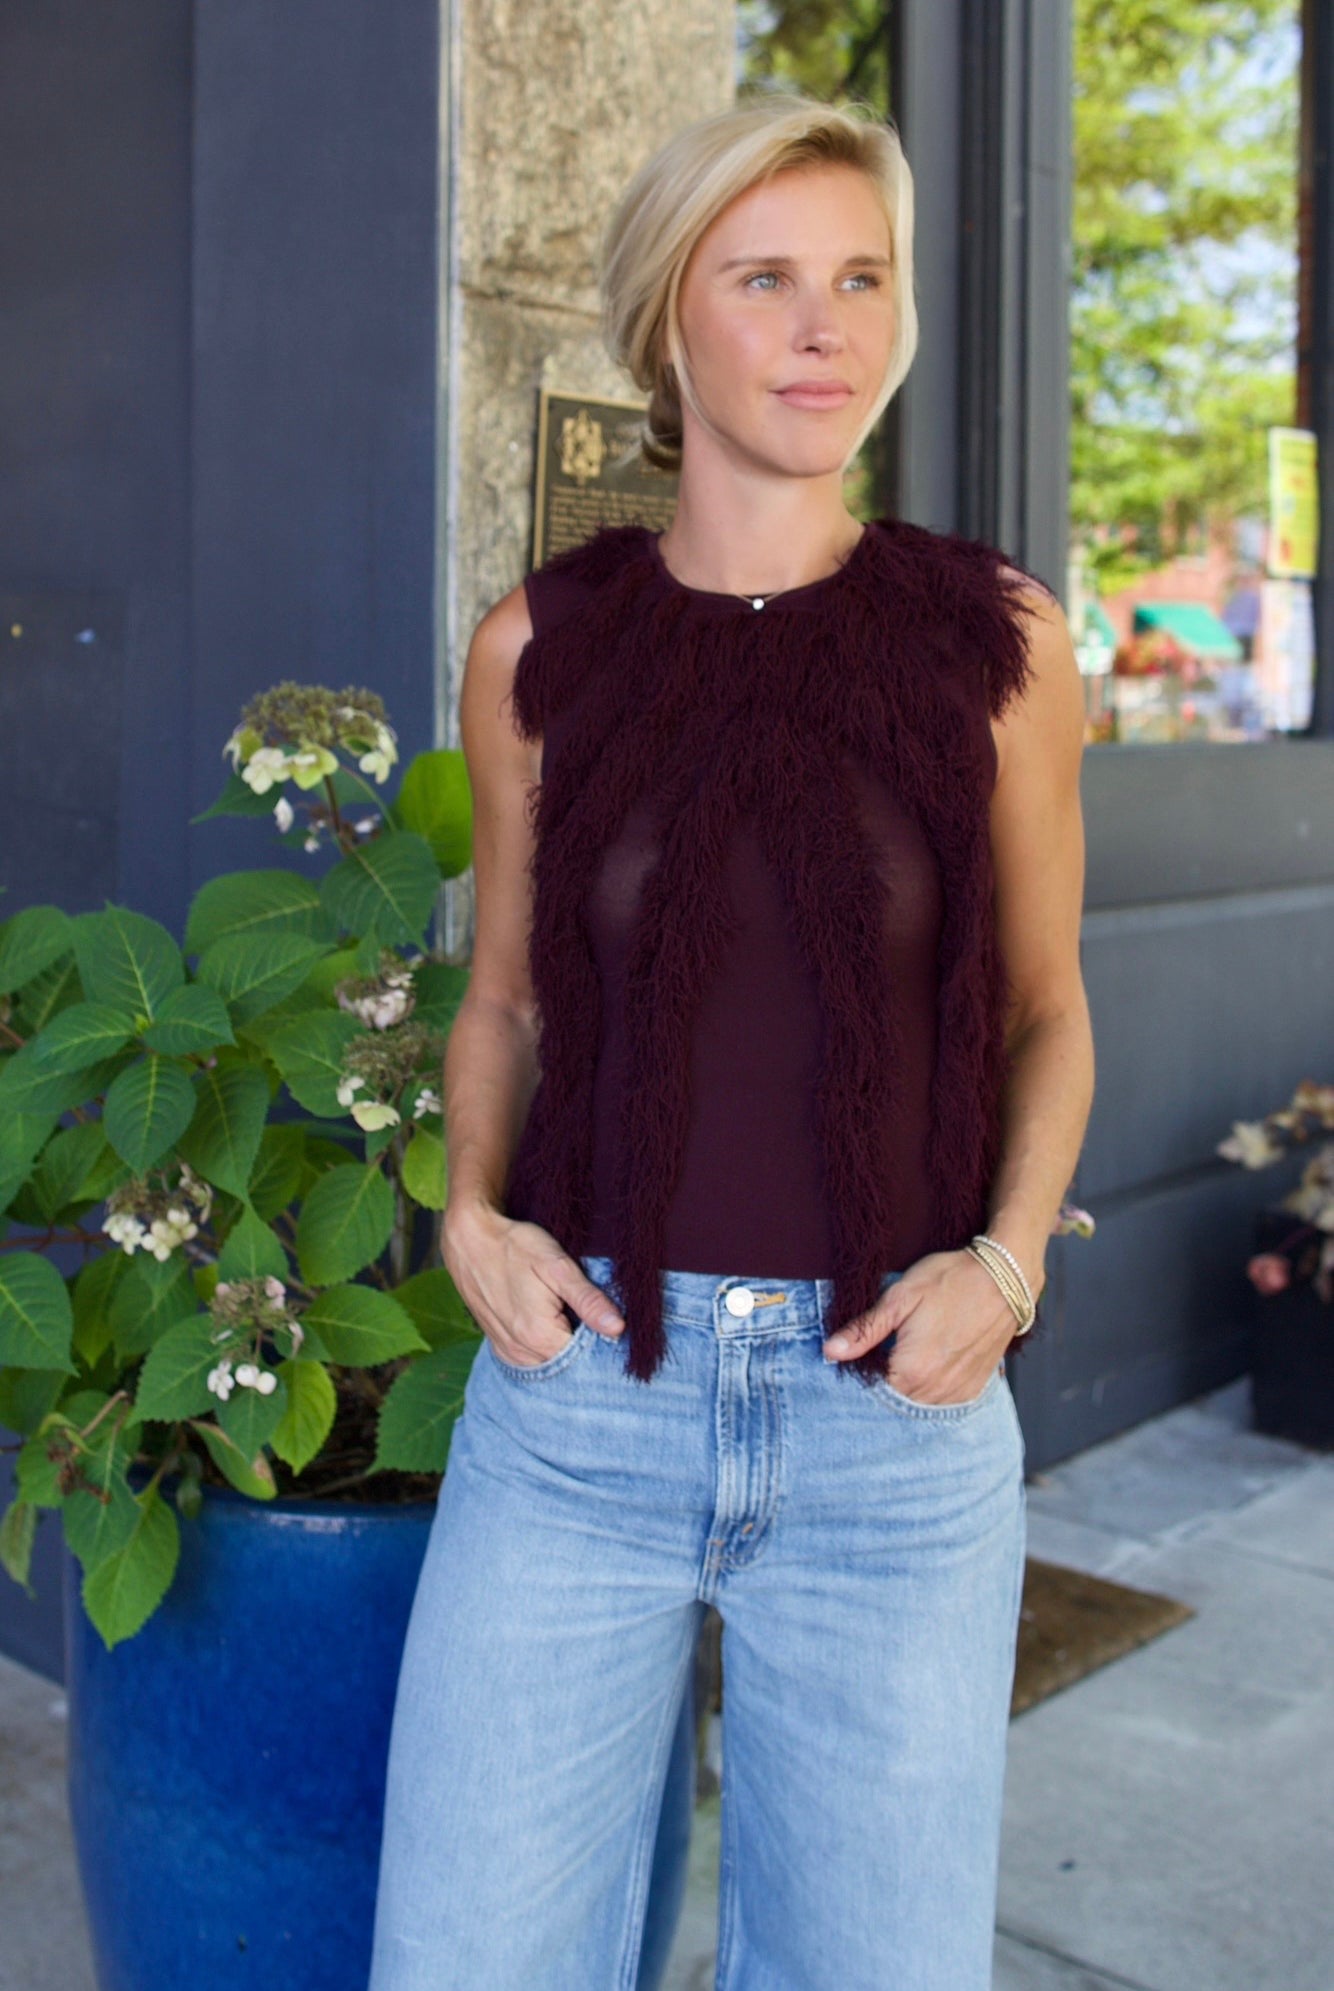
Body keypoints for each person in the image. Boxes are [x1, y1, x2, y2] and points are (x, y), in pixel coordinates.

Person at [369, 93, 1094, 1991]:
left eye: (858, 279)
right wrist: (466, 1211)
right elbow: (507, 990)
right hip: (578, 1408)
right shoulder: (542, 644)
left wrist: (1005, 1269)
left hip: (894, 1430)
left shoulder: (996, 645)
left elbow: (1044, 1011)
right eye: (762, 278)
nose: (820, 326)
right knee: (466, 1960)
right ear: (666, 320)